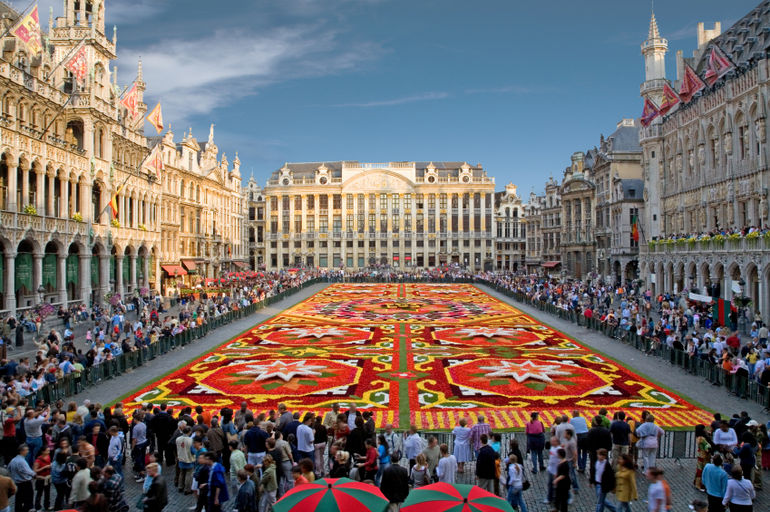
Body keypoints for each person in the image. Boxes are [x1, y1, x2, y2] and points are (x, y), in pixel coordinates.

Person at [8, 444, 35, 512]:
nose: (28, 451)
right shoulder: (22, 461)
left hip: (17, 483)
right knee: (28, 501)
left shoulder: (13, 460)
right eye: (27, 450)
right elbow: (29, 472)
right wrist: (35, 474)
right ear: (22, 451)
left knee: (19, 500)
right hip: (25, 483)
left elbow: (9, 469)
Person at [32, 445, 51, 512]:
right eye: (47, 450)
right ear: (43, 451)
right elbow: (34, 471)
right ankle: (37, 507)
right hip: (40, 479)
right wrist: (45, 467)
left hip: (47, 478)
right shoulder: (38, 460)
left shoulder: (48, 457)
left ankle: (47, 506)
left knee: (47, 493)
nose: (49, 451)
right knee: (39, 494)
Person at [694, 424, 712, 491]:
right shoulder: (702, 438)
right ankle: (700, 485)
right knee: (703, 470)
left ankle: (697, 483)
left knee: (700, 469)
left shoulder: (699, 437)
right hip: (704, 456)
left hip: (701, 455)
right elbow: (707, 446)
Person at [552, 448, 571, 512]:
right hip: (560, 483)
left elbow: (563, 475)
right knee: (558, 496)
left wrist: (556, 480)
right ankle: (557, 508)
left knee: (563, 499)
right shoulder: (561, 461)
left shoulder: (565, 464)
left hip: (564, 484)